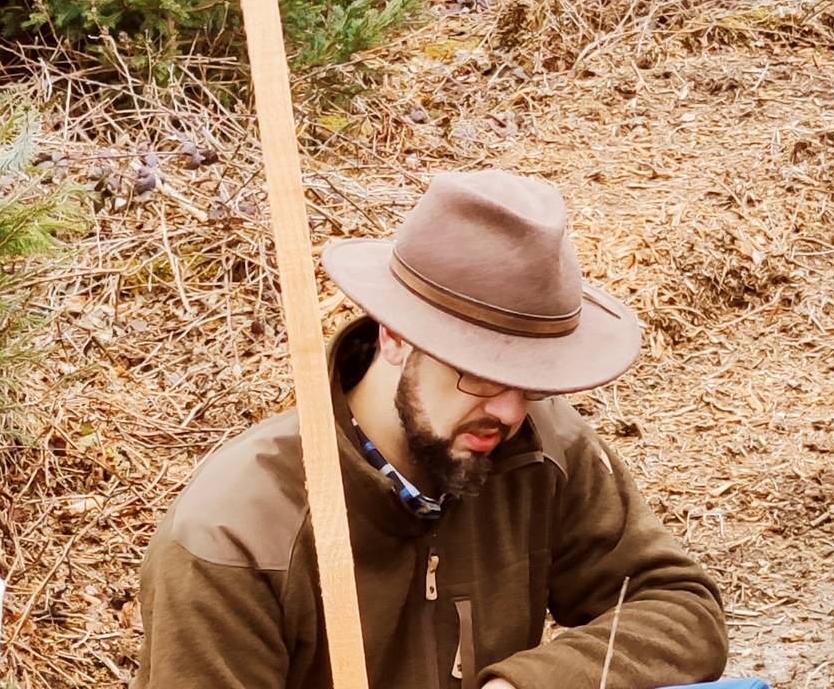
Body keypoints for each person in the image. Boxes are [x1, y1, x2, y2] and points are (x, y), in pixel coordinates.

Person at [135, 170, 755, 689]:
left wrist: (525, 685)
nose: (512, 413)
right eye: (481, 375)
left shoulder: (544, 449)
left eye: (534, 380)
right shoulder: (233, 540)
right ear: (395, 335)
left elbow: (682, 609)